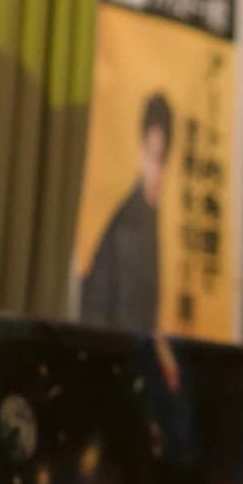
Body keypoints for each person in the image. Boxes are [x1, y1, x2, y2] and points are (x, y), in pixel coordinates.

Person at [80, 92, 173, 334]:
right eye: (153, 156)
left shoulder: (151, 215)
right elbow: (116, 312)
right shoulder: (128, 224)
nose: (157, 170)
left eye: (163, 158)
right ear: (141, 152)